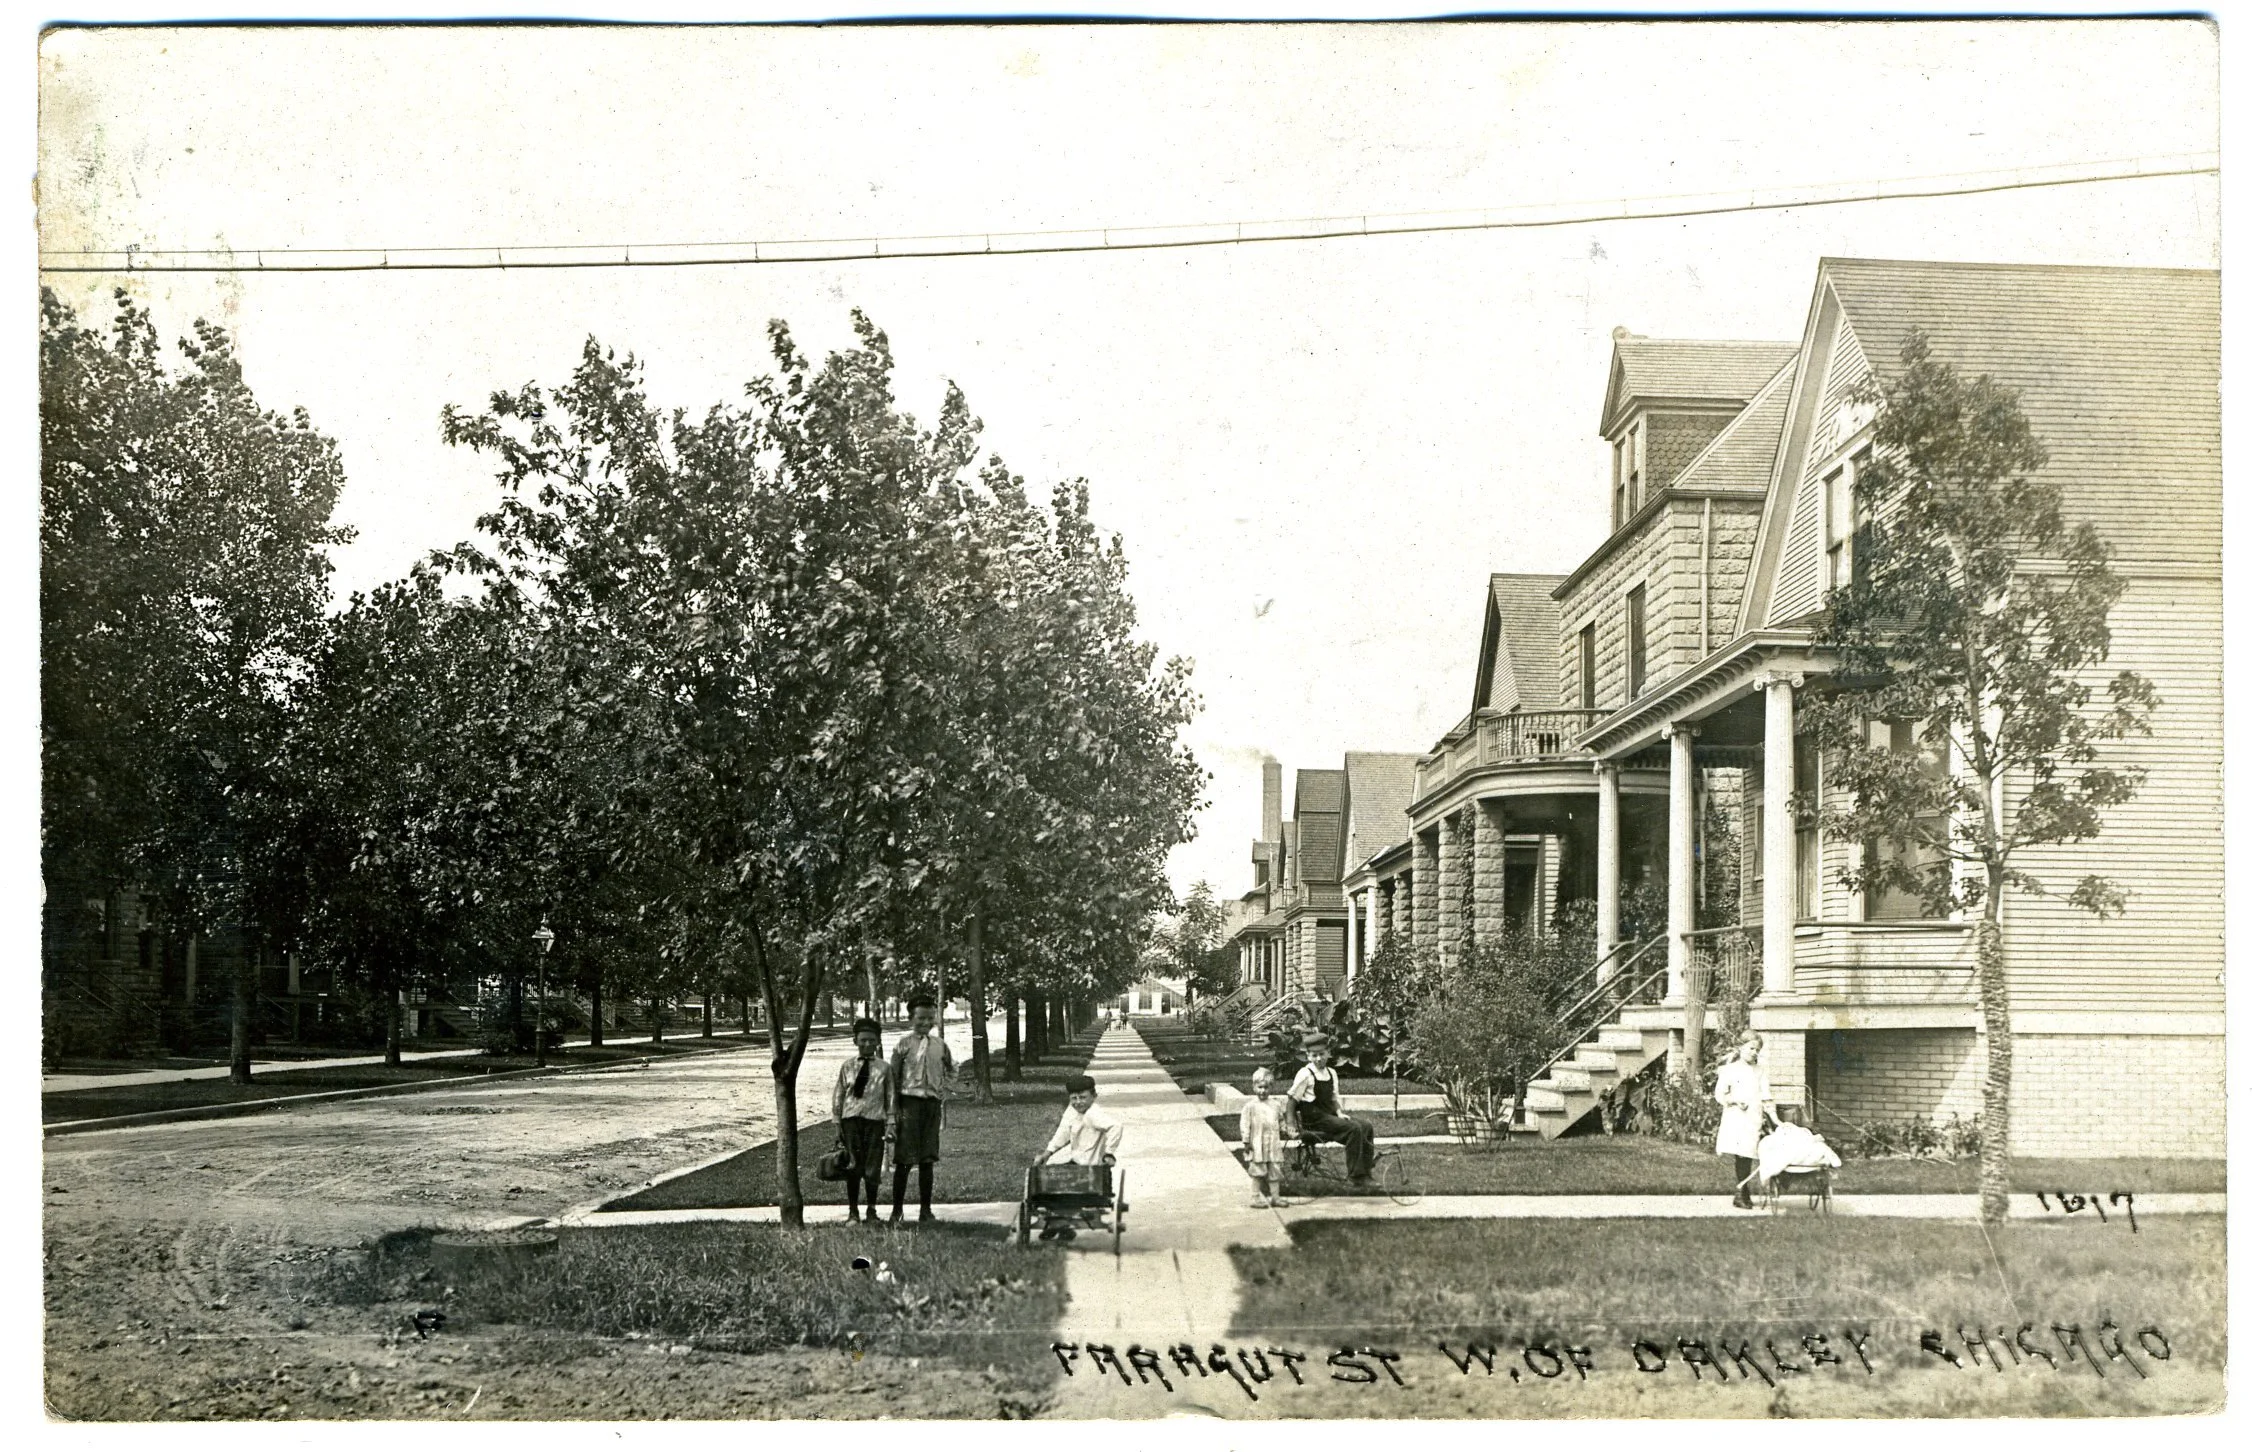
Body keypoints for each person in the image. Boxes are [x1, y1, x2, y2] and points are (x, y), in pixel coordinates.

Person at [887, 994, 955, 1224]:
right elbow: (892, 1079)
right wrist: (893, 1111)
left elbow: (951, 1068)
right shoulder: (903, 1045)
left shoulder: (940, 1045)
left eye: (930, 1018)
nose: (926, 1023)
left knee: (927, 1159)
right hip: (909, 1105)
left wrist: (945, 1088)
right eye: (920, 1018)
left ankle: (926, 1211)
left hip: (931, 1106)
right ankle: (897, 1211)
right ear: (911, 1019)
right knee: (905, 1160)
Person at [1288, 1033, 1377, 1185]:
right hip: (1314, 1120)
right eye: (1314, 1055)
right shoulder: (1305, 1074)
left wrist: (1339, 1113)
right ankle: (1356, 1176)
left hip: (1329, 1117)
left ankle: (1366, 1172)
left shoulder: (1331, 1073)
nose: (1318, 1058)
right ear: (1308, 1056)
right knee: (1354, 1129)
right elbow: (1291, 1101)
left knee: (1366, 1126)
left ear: (1328, 1052)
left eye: (1322, 1054)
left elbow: (1334, 1099)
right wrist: (1290, 1125)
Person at [830, 1017, 890, 1222]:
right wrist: (837, 1121)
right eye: (863, 1040)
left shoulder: (884, 1068)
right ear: (855, 1041)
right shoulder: (847, 1067)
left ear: (878, 1042)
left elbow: (890, 1096)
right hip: (851, 1122)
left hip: (875, 1122)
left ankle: (872, 1211)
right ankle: (853, 1212)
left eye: (872, 1040)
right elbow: (839, 1094)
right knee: (853, 1166)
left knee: (873, 1168)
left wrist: (891, 1123)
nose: (867, 1044)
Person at [1713, 1033, 1778, 1209]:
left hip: (1753, 1117)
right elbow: (1720, 1094)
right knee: (1742, 1154)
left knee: (1748, 1154)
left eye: (1757, 1049)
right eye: (1751, 1048)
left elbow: (1766, 1095)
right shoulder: (1729, 1069)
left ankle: (1742, 1192)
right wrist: (1734, 1100)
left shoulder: (1760, 1070)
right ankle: (1742, 1192)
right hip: (1736, 1117)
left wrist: (1775, 1119)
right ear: (1741, 1047)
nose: (1754, 1052)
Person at [1036, 1073, 1123, 1167]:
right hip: (1077, 1163)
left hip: (1093, 1167)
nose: (1078, 1102)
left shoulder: (1093, 1113)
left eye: (1083, 1097)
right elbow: (1063, 1133)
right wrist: (1048, 1152)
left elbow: (1116, 1126)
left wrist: (1109, 1153)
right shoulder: (1072, 1111)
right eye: (1074, 1098)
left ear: (1094, 1096)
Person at [1238, 1066, 1291, 1208]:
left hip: (1273, 1143)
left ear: (1271, 1088)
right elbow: (1245, 1124)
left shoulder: (1275, 1105)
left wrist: (1285, 1130)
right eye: (1260, 1087)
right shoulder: (1250, 1106)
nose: (1263, 1091)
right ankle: (1254, 1198)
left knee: (1275, 1170)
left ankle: (1275, 1198)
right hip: (1257, 1144)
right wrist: (1246, 1141)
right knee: (1257, 1170)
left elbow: (1280, 1120)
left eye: (1266, 1087)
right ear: (1254, 1087)